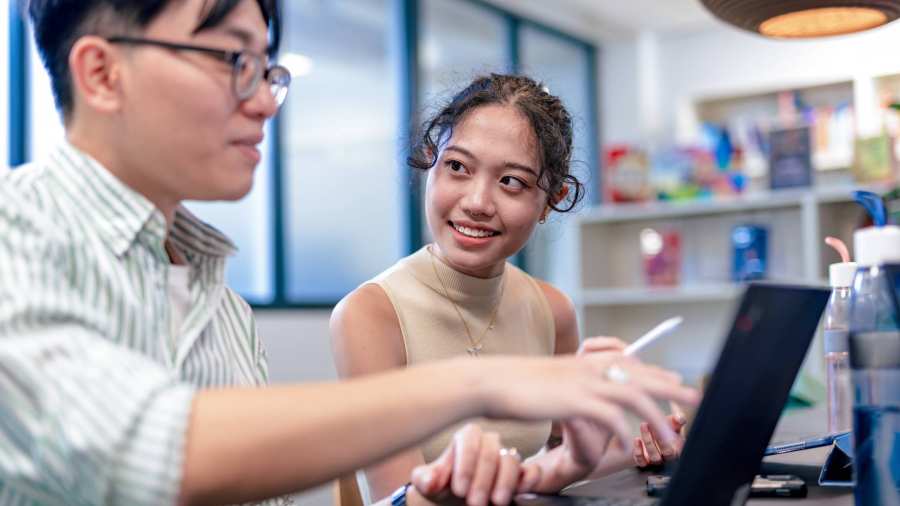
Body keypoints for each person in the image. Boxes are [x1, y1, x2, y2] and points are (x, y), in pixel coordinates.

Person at [0, 2, 697, 505]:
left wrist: (563, 461)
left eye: (266, 67)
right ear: (101, 73)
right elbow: (138, 447)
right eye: (232, 60)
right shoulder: (15, 236)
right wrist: (479, 383)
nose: (268, 102)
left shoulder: (218, 298)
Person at [331, 73, 688, 505]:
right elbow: (402, 499)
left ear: (550, 201)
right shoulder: (370, 313)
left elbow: (570, 457)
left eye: (512, 182)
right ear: (431, 162)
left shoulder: (552, 310)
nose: (478, 202)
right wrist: (547, 473)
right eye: (457, 167)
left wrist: (640, 452)